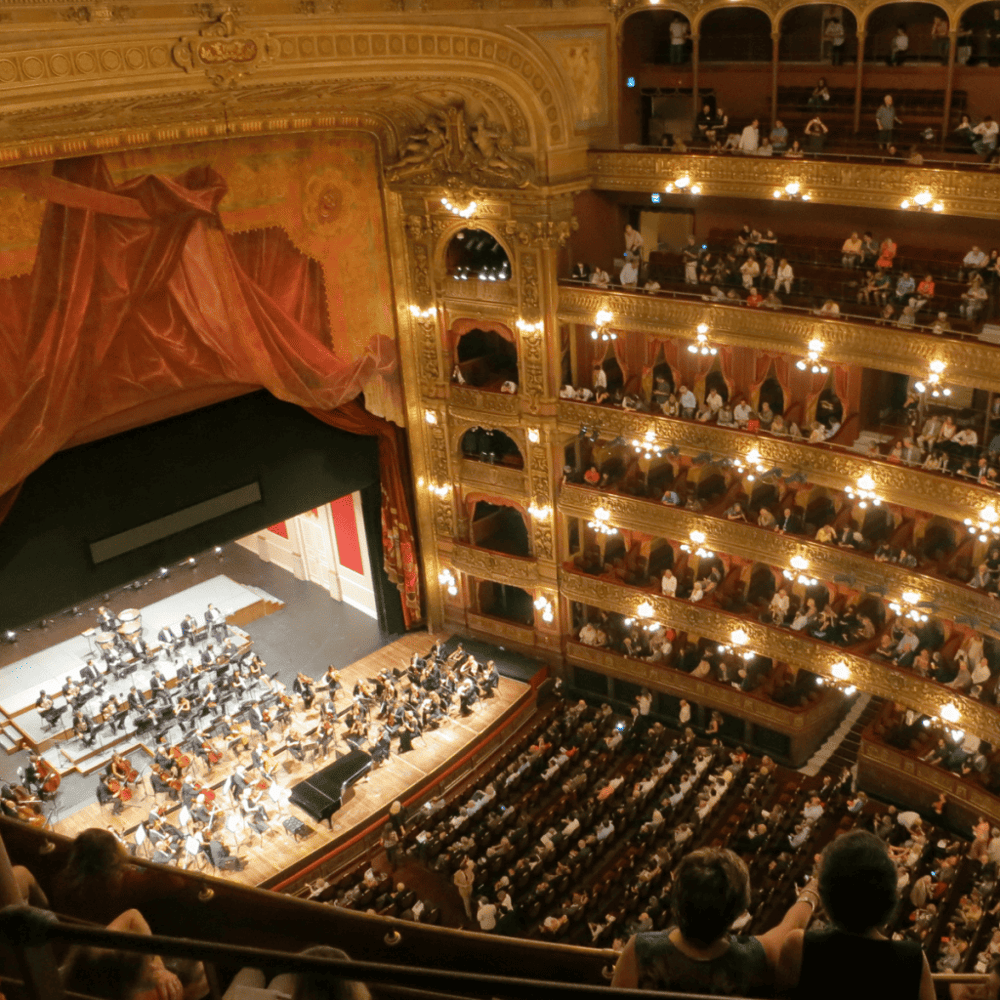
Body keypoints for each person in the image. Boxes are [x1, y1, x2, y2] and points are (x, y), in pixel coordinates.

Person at [612, 847, 819, 995]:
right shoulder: (756, 955)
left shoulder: (641, 948)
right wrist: (812, 890)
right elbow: (793, 925)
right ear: (739, 912)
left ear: (676, 901)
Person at [777, 830, 934, 999]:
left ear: (828, 895)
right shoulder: (913, 959)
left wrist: (808, 896)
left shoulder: (798, 946)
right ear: (889, 894)